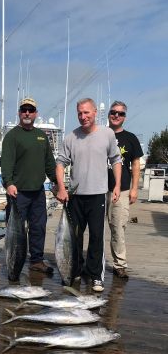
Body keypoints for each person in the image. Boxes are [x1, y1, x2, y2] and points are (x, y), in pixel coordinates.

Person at [55, 98, 122, 292]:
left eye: (86, 113)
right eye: (79, 113)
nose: (83, 117)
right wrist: (61, 187)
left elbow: (116, 160)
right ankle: (74, 269)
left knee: (96, 236)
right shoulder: (70, 137)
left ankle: (95, 275)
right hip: (75, 196)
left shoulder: (107, 134)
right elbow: (60, 164)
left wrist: (117, 185)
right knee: (74, 237)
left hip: (98, 194)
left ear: (95, 112)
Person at [1, 97, 57, 273]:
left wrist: (57, 182)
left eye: (30, 110)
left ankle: (36, 261)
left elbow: (49, 163)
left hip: (38, 192)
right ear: (19, 112)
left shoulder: (41, 136)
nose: (27, 113)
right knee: (16, 233)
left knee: (38, 228)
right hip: (18, 194)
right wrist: (8, 183)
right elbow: (6, 163)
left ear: (35, 114)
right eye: (24, 109)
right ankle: (14, 263)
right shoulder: (12, 136)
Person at [107, 101, 143, 279]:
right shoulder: (100, 134)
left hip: (121, 191)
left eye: (120, 113)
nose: (116, 115)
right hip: (98, 189)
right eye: (113, 112)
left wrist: (135, 189)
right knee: (95, 228)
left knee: (118, 228)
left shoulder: (131, 138)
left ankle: (119, 264)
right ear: (108, 114)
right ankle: (91, 263)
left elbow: (136, 164)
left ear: (124, 117)